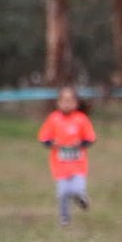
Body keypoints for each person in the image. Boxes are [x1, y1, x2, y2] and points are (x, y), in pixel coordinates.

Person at [37, 86, 96, 227]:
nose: (67, 104)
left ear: (76, 102)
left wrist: (80, 143)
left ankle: (82, 199)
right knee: (63, 193)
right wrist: (52, 143)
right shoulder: (53, 119)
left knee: (76, 189)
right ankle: (64, 217)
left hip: (78, 165)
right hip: (60, 166)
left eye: (70, 100)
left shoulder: (81, 119)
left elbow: (90, 138)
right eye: (64, 100)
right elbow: (43, 138)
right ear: (58, 102)